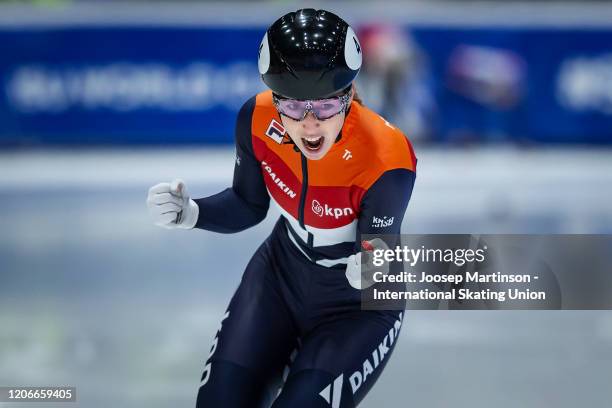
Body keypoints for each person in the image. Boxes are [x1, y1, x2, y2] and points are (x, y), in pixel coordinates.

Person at [146, 9, 416, 408]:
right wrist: (192, 213)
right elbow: (249, 204)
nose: (309, 125)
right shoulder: (255, 120)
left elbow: (379, 250)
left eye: (324, 106)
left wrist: (375, 264)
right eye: (291, 106)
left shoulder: (386, 154)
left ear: (349, 94)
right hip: (278, 277)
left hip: (355, 308)